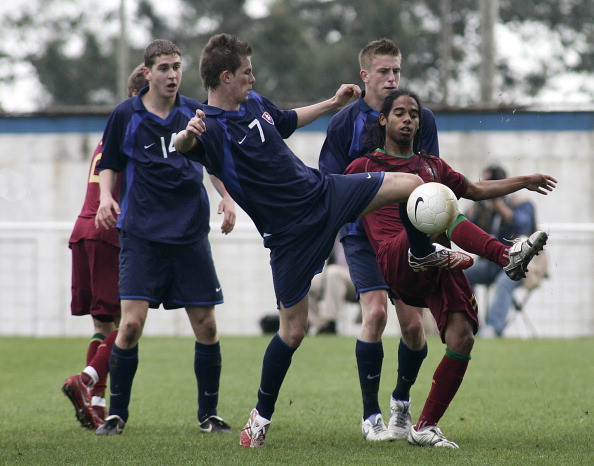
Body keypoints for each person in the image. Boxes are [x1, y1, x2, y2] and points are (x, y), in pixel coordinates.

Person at [174, 33, 472, 448]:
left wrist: (333, 103)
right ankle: (259, 419)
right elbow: (183, 145)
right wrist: (185, 135)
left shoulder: (254, 104)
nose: (253, 78)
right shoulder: (209, 128)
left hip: (322, 194)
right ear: (225, 77)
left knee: (413, 182)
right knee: (292, 331)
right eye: (246, 72)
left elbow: (287, 121)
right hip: (288, 236)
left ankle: (422, 254)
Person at [345, 89, 556, 447]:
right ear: (383, 120)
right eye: (399, 112)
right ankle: (504, 255)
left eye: (413, 113)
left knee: (462, 336)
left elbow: (473, 189)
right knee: (426, 197)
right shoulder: (363, 168)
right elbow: (332, 204)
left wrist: (522, 181)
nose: (408, 119)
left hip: (437, 259)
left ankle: (425, 425)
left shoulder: (431, 165)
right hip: (396, 258)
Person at [92, 39, 236, 436]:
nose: (172, 75)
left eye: (177, 67)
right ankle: (116, 415)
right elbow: (111, 163)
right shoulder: (127, 114)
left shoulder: (194, 112)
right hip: (142, 234)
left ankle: (208, 415)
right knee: (131, 325)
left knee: (206, 325)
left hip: (189, 233)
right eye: (164, 68)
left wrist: (226, 197)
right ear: (148, 72)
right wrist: (105, 197)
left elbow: (214, 162)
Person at [318, 38, 440, 440]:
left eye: (397, 71)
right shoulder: (343, 123)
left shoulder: (422, 118)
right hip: (359, 234)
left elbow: (431, 180)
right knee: (374, 314)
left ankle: (401, 404)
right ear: (365, 76)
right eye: (384, 72)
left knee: (414, 328)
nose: (391, 79)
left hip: (406, 236)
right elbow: (330, 184)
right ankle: (371, 418)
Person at [62, 64, 147, 430]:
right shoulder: (136, 131)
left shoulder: (107, 135)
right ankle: (87, 379)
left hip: (84, 229)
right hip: (110, 231)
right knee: (132, 320)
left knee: (104, 322)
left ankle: (94, 406)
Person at [464, 164, 539, 337]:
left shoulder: (519, 201)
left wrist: (502, 209)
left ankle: (492, 329)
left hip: (523, 264)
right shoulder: (484, 205)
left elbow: (523, 225)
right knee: (464, 275)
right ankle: (469, 323)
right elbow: (465, 225)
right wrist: (474, 211)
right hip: (493, 262)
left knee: (504, 283)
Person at [308, 238, 357, 335]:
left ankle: (331, 324)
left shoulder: (357, 227)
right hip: (334, 278)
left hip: (358, 279)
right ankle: (320, 326)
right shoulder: (333, 233)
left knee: (333, 273)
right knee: (307, 284)